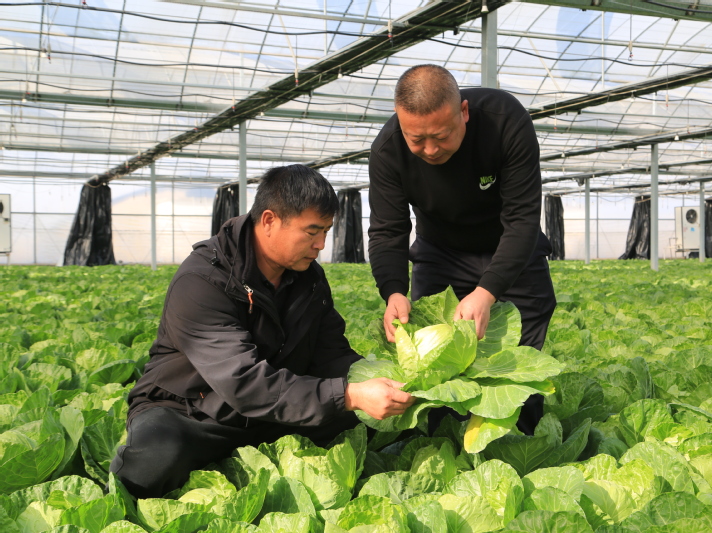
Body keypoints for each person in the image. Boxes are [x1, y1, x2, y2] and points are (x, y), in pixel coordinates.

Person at [111, 165, 414, 498]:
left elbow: (331, 354)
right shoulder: (201, 281)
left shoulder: (310, 279)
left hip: (274, 411)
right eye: (312, 232)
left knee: (377, 416)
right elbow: (243, 383)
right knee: (155, 460)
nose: (321, 245)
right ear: (269, 220)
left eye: (326, 231)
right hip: (195, 412)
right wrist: (349, 395)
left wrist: (384, 380)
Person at [368, 65, 556, 434]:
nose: (430, 149)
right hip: (441, 252)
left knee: (518, 367)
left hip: (510, 249)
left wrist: (487, 292)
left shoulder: (505, 121)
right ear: (400, 121)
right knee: (436, 366)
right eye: (416, 139)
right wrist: (393, 291)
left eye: (441, 136)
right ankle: (444, 443)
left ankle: (523, 441)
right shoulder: (387, 150)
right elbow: (388, 230)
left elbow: (521, 219)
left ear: (464, 112)